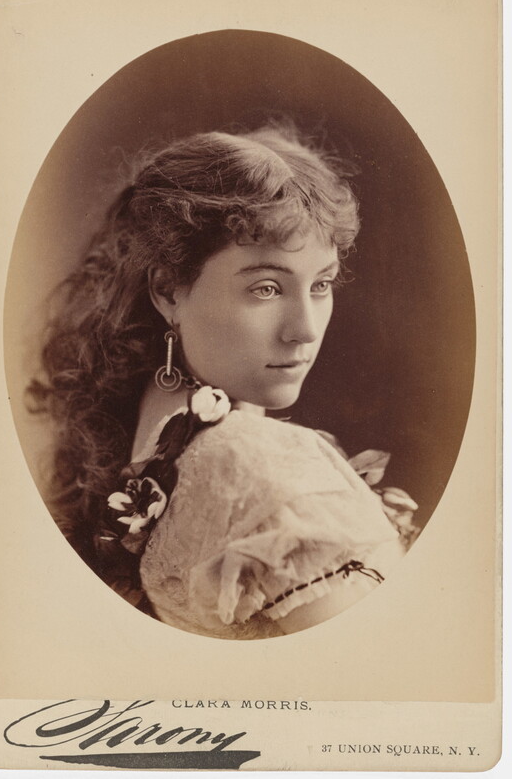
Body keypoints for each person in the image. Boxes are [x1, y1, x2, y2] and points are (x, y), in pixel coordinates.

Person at [28, 123, 419, 639]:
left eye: (321, 285)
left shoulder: (153, 424)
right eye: (266, 288)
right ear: (168, 290)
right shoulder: (254, 462)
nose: (304, 330)